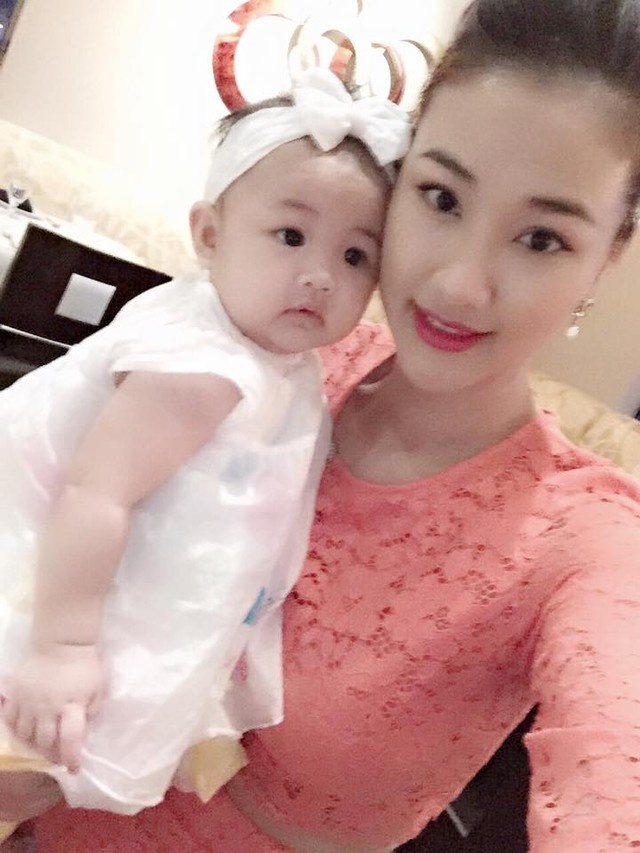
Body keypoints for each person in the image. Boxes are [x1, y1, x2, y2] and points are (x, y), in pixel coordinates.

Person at [4, 0, 640, 849]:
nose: (459, 284)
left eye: (542, 239)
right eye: (441, 197)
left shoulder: (587, 539)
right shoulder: (285, 354)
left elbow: (612, 771)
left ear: (606, 260)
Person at [0, 67, 409, 825]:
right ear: (210, 236)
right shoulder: (199, 365)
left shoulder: (277, 359)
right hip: (48, 600)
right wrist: (62, 648)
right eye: (291, 236)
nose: (321, 276)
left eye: (356, 256)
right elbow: (98, 492)